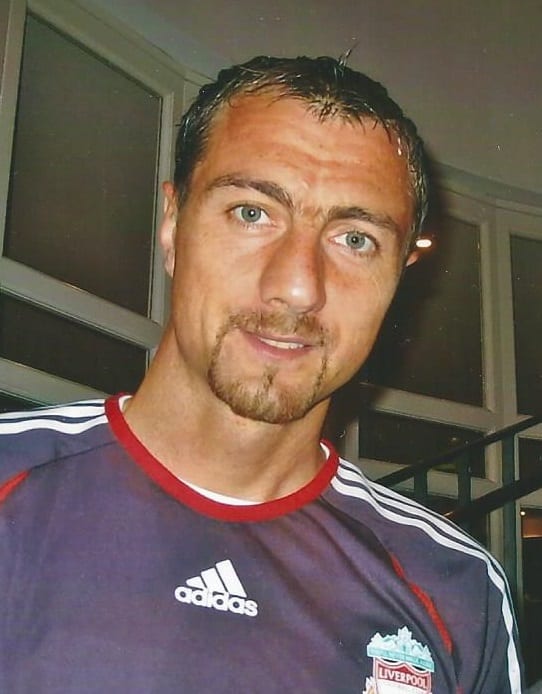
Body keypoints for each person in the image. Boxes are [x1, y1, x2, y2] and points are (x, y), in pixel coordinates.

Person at [0, 56, 522, 693]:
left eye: (356, 239)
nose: (298, 286)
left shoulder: (455, 590)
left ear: (398, 280)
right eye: (251, 212)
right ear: (172, 225)